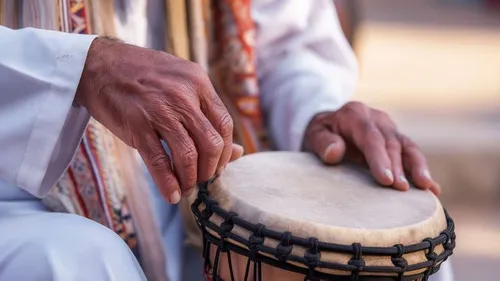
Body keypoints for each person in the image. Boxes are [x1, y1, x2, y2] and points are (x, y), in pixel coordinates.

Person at [0, 1, 451, 281]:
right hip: (16, 199)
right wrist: (76, 69)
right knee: (72, 261)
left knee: (390, 251)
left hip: (186, 218)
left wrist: (319, 113)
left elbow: (285, 41)